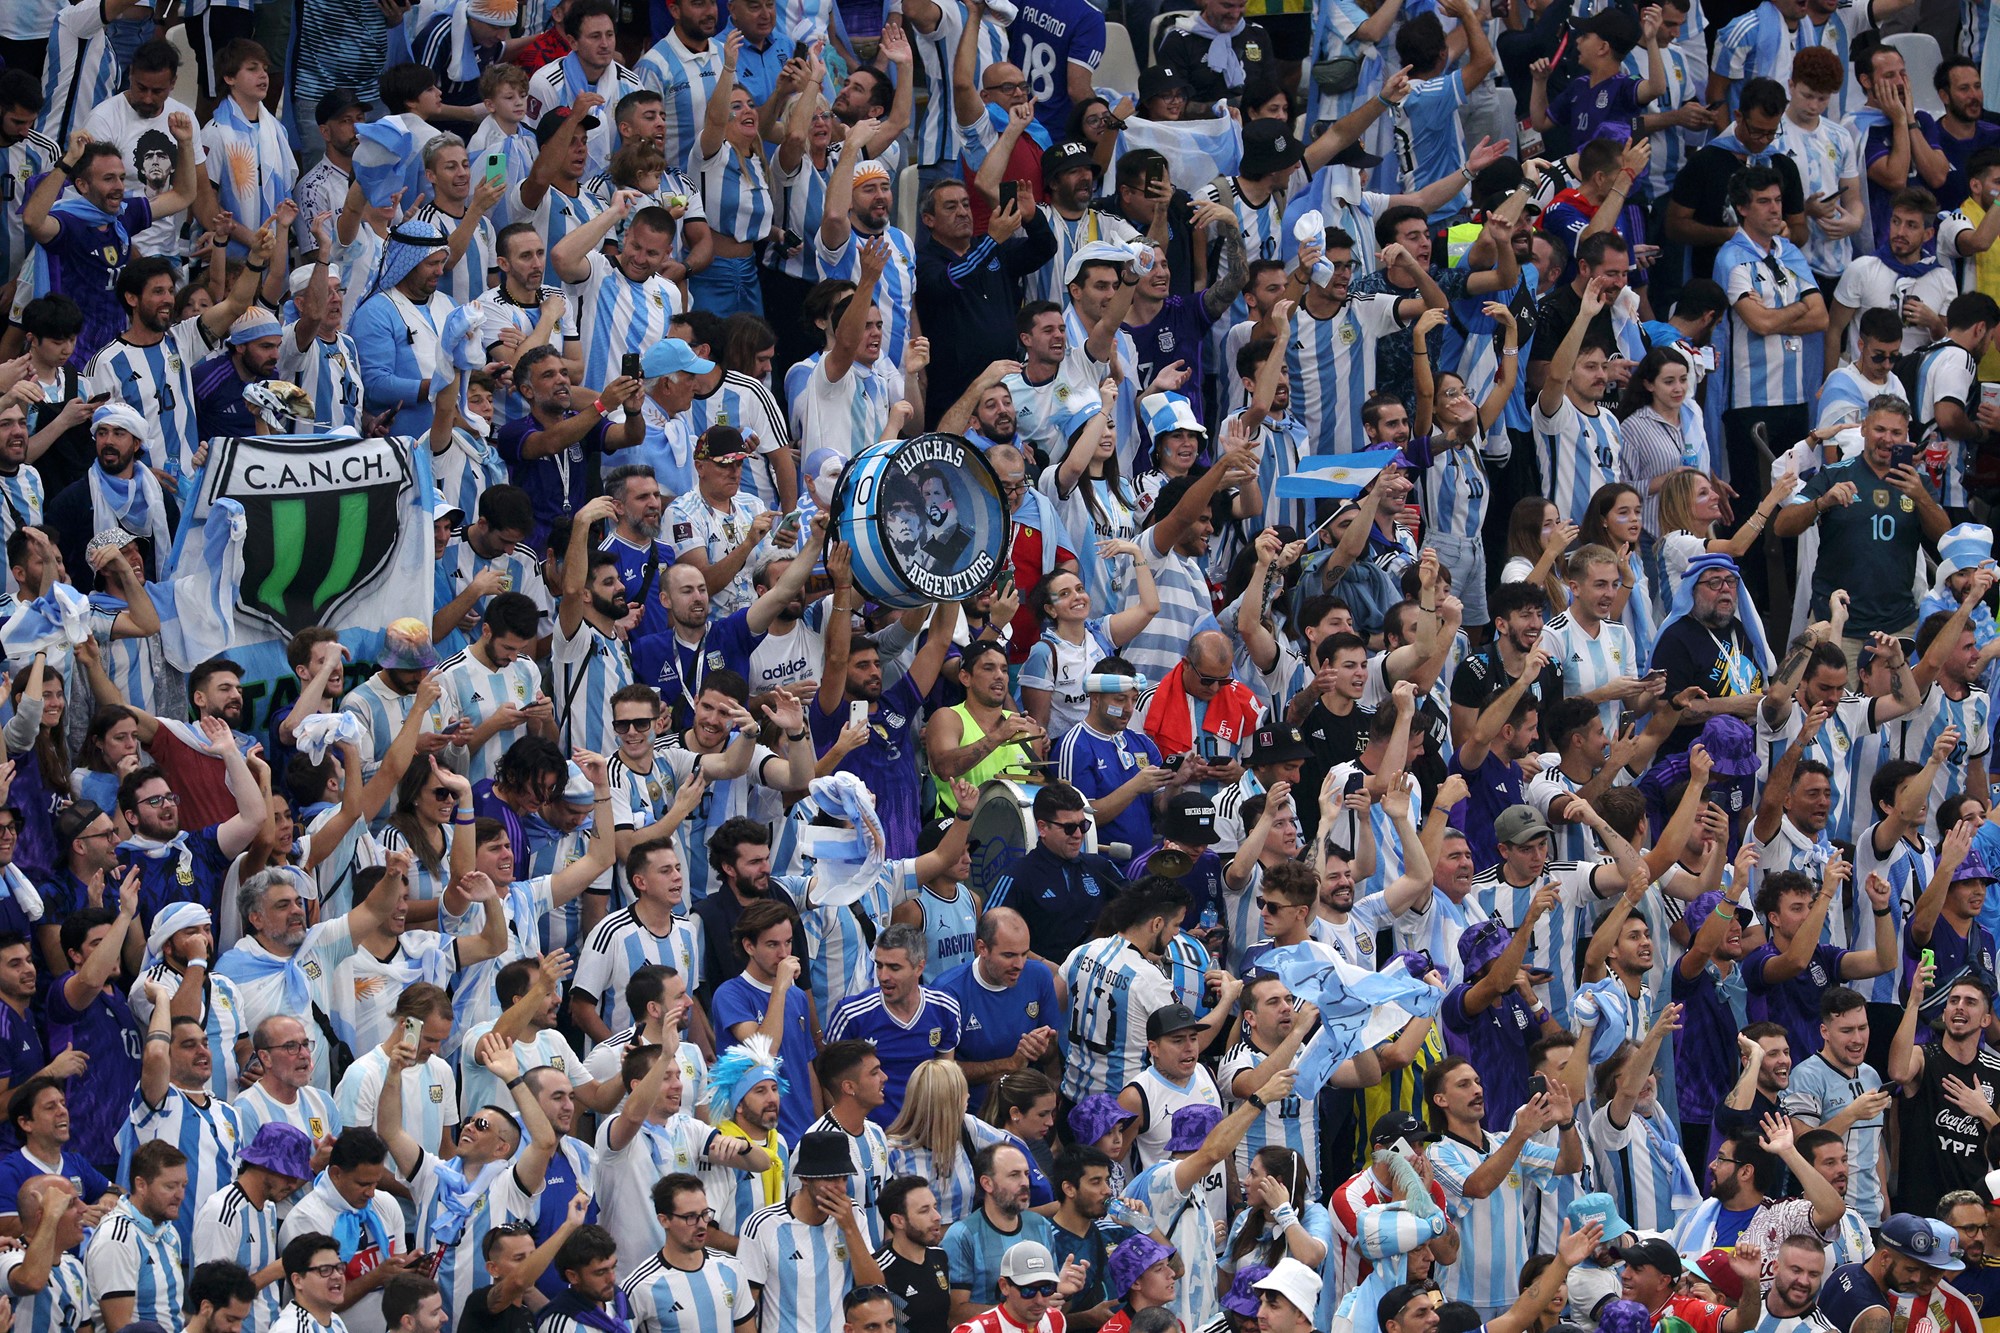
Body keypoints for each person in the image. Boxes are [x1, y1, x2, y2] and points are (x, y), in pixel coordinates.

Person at [737, 1130, 886, 1333]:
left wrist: (850, 1228)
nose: (840, 1188)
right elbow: (745, 1308)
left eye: (843, 1178)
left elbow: (875, 1289)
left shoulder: (853, 1215)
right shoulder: (763, 1225)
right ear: (805, 1179)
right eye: (830, 1179)